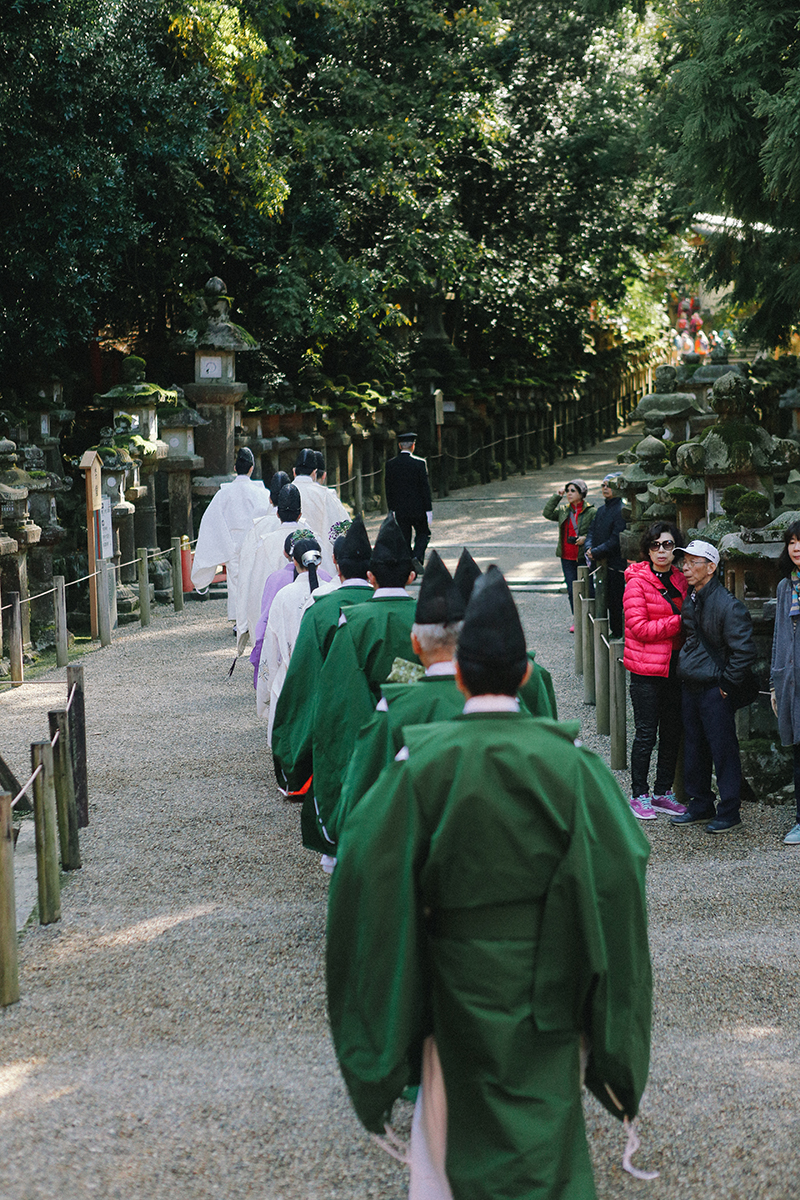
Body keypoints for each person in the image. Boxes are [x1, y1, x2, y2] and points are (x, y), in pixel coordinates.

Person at [326, 566, 653, 1200]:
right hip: (553, 988)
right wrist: (609, 1024)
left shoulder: (423, 766)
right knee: (549, 1139)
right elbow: (619, 878)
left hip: (455, 987)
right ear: (527, 677)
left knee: (448, 1152)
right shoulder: (576, 769)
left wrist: (395, 1001)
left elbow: (364, 870)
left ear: (462, 674)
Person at [310, 515, 419, 840]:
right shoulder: (428, 617)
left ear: (371, 576)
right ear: (412, 576)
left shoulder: (353, 622)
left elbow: (337, 695)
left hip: (370, 730)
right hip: (424, 725)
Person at [271, 516, 374, 812]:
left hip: (334, 712)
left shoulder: (319, 608)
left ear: (336, 564)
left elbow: (303, 676)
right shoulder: (397, 609)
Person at [673, 539, 756, 834]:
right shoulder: (693, 598)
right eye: (684, 562)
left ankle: (730, 809)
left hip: (714, 686)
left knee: (723, 749)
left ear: (711, 567)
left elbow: (744, 651)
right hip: (692, 683)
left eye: (693, 562)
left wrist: (726, 685)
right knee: (695, 746)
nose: (686, 567)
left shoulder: (728, 605)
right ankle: (700, 804)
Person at [623, 522, 688, 821]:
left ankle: (663, 792)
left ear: (676, 548)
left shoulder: (681, 578)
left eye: (667, 545)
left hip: (677, 666)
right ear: (647, 549)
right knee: (646, 733)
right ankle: (639, 794)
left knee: (672, 731)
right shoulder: (636, 581)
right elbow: (639, 628)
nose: (661, 551)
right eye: (655, 545)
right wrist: (679, 621)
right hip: (646, 669)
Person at [190, 446, 273, 622]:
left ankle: (238, 620)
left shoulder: (223, 493)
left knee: (235, 581)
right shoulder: (262, 493)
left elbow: (211, 521)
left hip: (233, 543)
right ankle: (252, 619)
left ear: (235, 468)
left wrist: (223, 542)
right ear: (252, 468)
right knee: (254, 579)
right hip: (254, 541)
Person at [262, 536, 331, 741]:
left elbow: (271, 647)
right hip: (326, 677)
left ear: (294, 561)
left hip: (290, 677)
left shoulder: (283, 596)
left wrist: (267, 689)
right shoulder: (332, 591)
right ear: (320, 560)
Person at [236, 482, 303, 651]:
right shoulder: (312, 537)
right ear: (300, 514)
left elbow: (251, 584)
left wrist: (246, 624)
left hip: (274, 617)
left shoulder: (264, 543)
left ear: (278, 514)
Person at [769, 520, 800, 845]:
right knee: (798, 752)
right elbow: (778, 636)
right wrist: (775, 684)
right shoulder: (785, 587)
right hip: (790, 681)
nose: (796, 547)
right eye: (791, 541)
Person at [542, 479, 596, 631]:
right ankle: (577, 619)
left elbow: (596, 531)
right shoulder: (564, 510)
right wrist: (556, 496)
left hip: (583, 556)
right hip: (566, 556)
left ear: (581, 493)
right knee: (572, 590)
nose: (569, 494)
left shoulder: (591, 511)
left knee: (588, 588)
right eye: (567, 491)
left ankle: (591, 617)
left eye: (573, 491)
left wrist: (585, 538)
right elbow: (547, 513)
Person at [291, 447, 349, 575]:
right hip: (321, 562)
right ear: (314, 472)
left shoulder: (286, 492)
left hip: (291, 560)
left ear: (294, 471)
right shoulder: (324, 495)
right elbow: (340, 527)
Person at [585, 472, 627, 638]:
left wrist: (595, 551)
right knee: (605, 599)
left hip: (615, 564)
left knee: (616, 601)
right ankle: (609, 631)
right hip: (600, 563)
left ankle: (617, 633)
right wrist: (589, 548)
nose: (605, 488)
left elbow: (616, 539)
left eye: (609, 485)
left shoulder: (622, 510)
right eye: (603, 485)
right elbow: (591, 531)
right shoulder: (601, 510)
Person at [384, 432, 433, 572]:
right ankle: (417, 556)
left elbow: (389, 488)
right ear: (413, 446)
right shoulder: (420, 463)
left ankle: (408, 563)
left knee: (404, 536)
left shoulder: (391, 464)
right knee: (423, 533)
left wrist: (391, 509)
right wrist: (428, 509)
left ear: (400, 446)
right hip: (418, 508)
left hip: (400, 508)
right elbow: (425, 488)